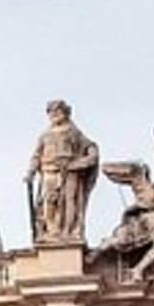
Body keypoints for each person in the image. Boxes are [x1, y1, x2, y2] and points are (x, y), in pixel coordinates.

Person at [28, 101, 99, 246]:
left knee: (69, 201)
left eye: (57, 112)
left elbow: (91, 147)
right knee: (49, 201)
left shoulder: (74, 132)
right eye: (51, 112)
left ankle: (68, 231)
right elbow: (36, 155)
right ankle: (52, 230)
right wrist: (31, 171)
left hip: (70, 170)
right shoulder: (45, 135)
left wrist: (87, 159)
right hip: (49, 170)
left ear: (65, 113)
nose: (54, 115)